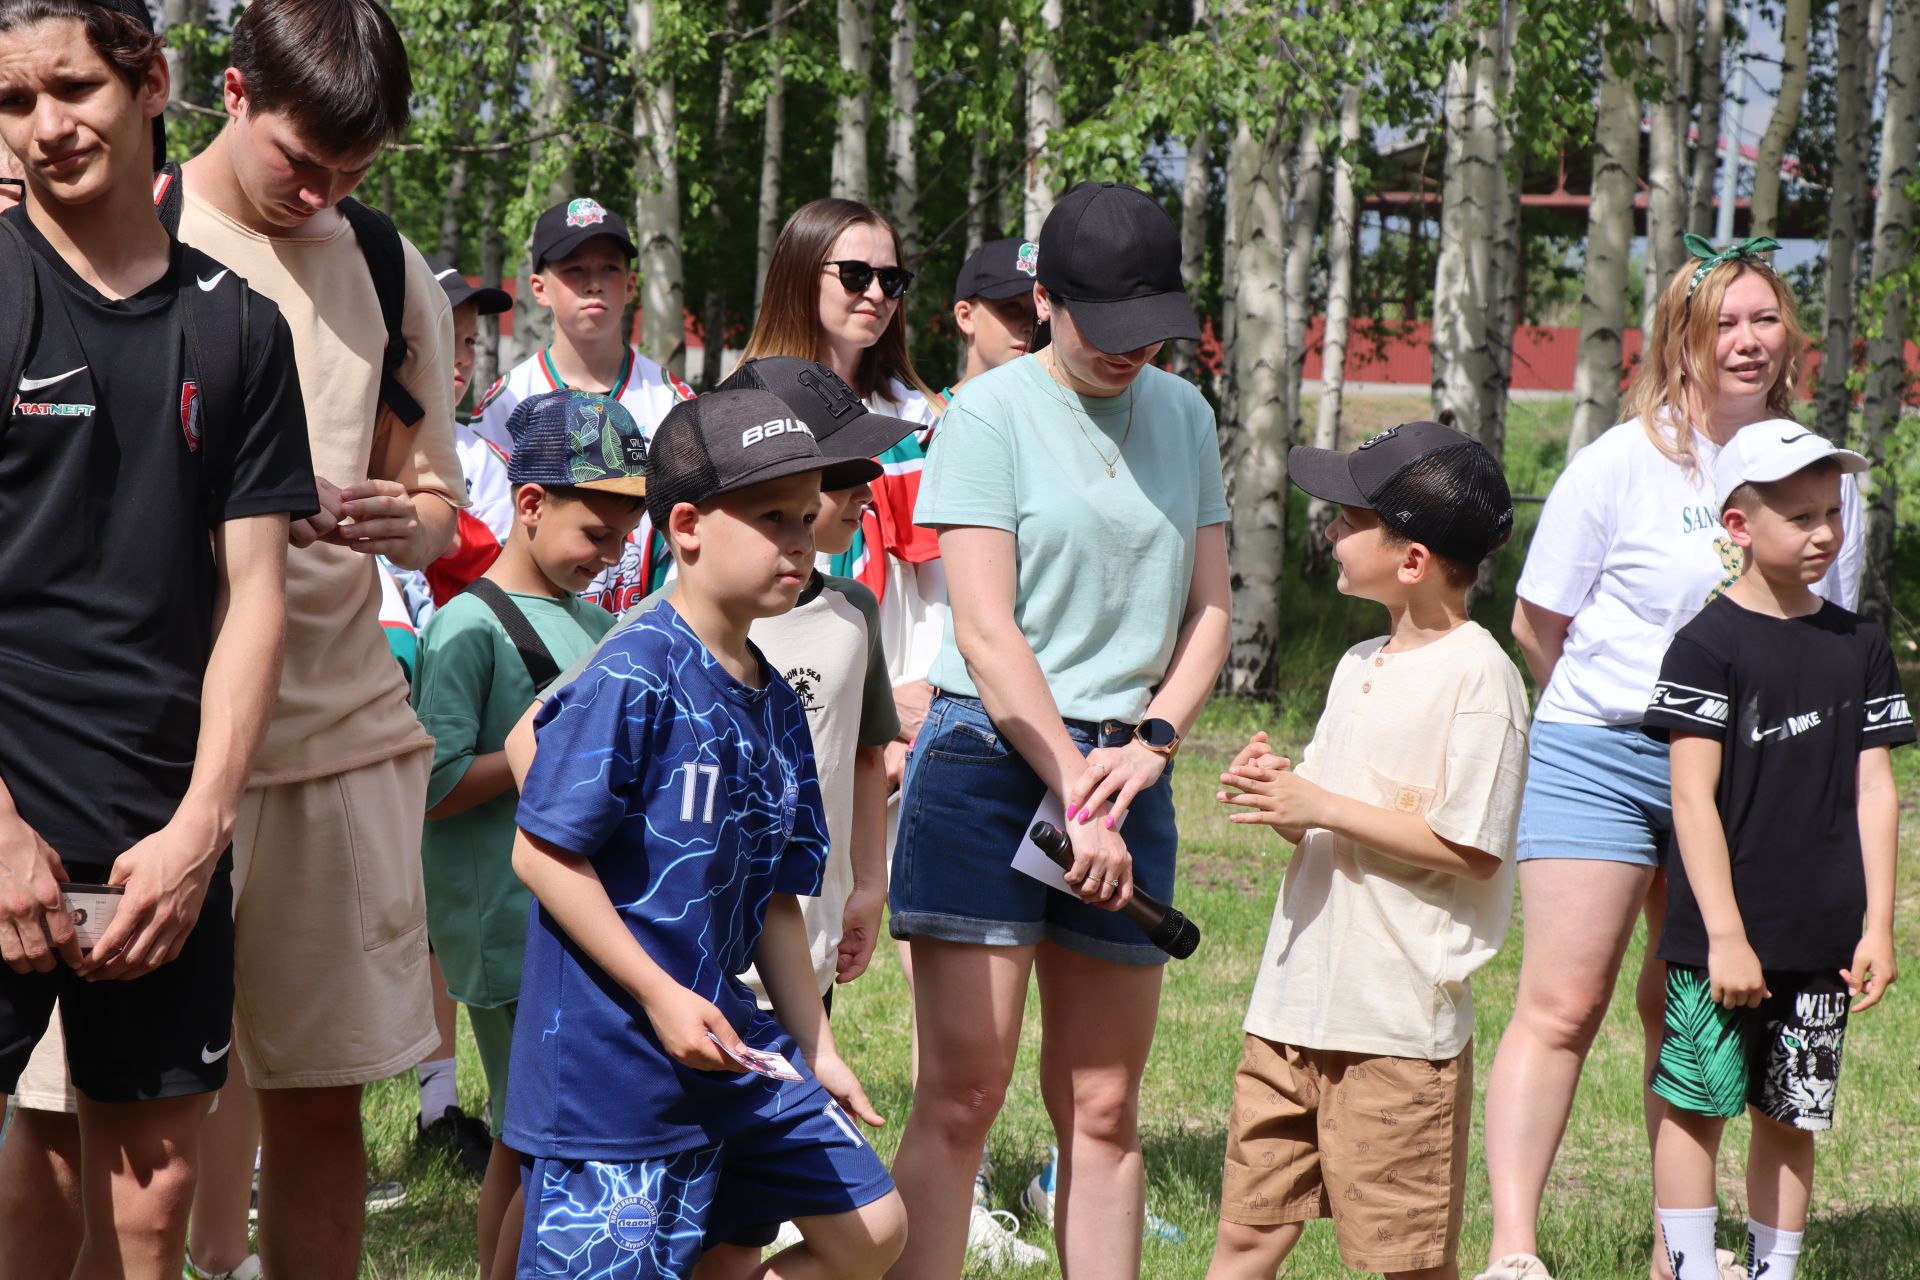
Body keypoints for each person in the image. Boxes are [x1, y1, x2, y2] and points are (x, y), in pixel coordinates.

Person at [1476, 237, 1863, 1280]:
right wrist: (1629, 710)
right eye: (1724, 321)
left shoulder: (1818, 471)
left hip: (1743, 787)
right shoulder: (1618, 460)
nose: (1747, 339)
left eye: (1764, 319)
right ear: (1682, 338)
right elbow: (1535, 618)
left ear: (1790, 336)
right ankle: (1514, 1247)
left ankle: (1675, 1249)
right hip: (1600, 753)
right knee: (1562, 1001)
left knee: (1686, 1002)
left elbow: (1822, 634)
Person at [0, 4, 314, 1280]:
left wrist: (199, 832)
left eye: (70, 89)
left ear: (152, 85)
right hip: (2, 815)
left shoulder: (240, 329)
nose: (43, 129)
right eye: (14, 104)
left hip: (153, 837)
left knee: (152, 1190)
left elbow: (255, 598)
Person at [884, 180, 1232, 1280]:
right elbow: (986, 634)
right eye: (1106, 328)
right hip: (991, 758)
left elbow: (1211, 607)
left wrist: (1154, 742)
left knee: (1105, 1101)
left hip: (1128, 771)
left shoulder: (1186, 414)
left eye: (1151, 330)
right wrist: (1080, 784)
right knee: (965, 1092)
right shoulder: (987, 416)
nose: (1132, 353)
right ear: (1044, 301)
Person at [172, 3, 466, 1275]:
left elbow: (444, 501)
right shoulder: (123, 235)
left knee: (323, 1098)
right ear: (232, 92)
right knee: (116, 1123)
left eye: (356, 174)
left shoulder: (392, 268)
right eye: (305, 162)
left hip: (337, 740)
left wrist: (405, 520)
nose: (325, 195)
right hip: (148, 746)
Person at [505, 388, 907, 1278]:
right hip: (614, 1066)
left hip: (732, 1044)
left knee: (872, 1233)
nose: (799, 540)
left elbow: (771, 896)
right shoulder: (634, 669)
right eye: (770, 517)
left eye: (806, 516)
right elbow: (539, 851)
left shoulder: (775, 699)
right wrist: (656, 993)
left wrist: (821, 1050)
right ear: (686, 525)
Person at [1205, 424, 1529, 1280]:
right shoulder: (1358, 663)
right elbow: (1322, 815)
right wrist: (1283, 797)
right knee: (1246, 1233)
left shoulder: (1481, 680)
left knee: (1408, 1262)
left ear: (1412, 558)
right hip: (1291, 1008)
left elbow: (1473, 850)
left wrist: (1323, 805)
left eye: (1348, 519)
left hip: (1395, 1028)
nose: (1332, 535)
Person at [1641, 431, 1906, 1280]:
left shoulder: (1859, 645)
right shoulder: (1706, 645)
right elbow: (1691, 799)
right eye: (1800, 516)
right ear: (1739, 525)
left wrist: (1879, 928)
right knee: (1695, 1108)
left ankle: (1772, 1272)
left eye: (1833, 512)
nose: (1824, 532)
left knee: (1792, 1118)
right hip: (1716, 940)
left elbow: (1877, 793)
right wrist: (1724, 935)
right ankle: (1688, 1268)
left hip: (1821, 942)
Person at [416, 389, 649, 1280]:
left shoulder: (595, 622)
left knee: (541, 1128)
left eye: (626, 537)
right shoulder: (466, 628)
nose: (612, 554)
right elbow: (431, 787)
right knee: (535, 1139)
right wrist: (535, 753)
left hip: (577, 915)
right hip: (510, 928)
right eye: (597, 533)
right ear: (529, 505)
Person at [474, 196, 694, 613]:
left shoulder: (674, 403)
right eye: (575, 269)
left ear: (631, 285)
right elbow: (491, 526)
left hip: (644, 623)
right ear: (539, 287)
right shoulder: (508, 400)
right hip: (532, 625)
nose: (594, 283)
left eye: (609, 268)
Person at [420, 255, 515, 605]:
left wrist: (435, 529)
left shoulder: (485, 459)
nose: (462, 356)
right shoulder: (356, 438)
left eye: (471, 341)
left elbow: (509, 574)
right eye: (447, 335)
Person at [949, 236, 1040, 392]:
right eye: (1013, 306)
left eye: (1040, 313)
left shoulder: (1059, 414)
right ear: (966, 317)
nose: (1031, 326)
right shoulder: (922, 415)